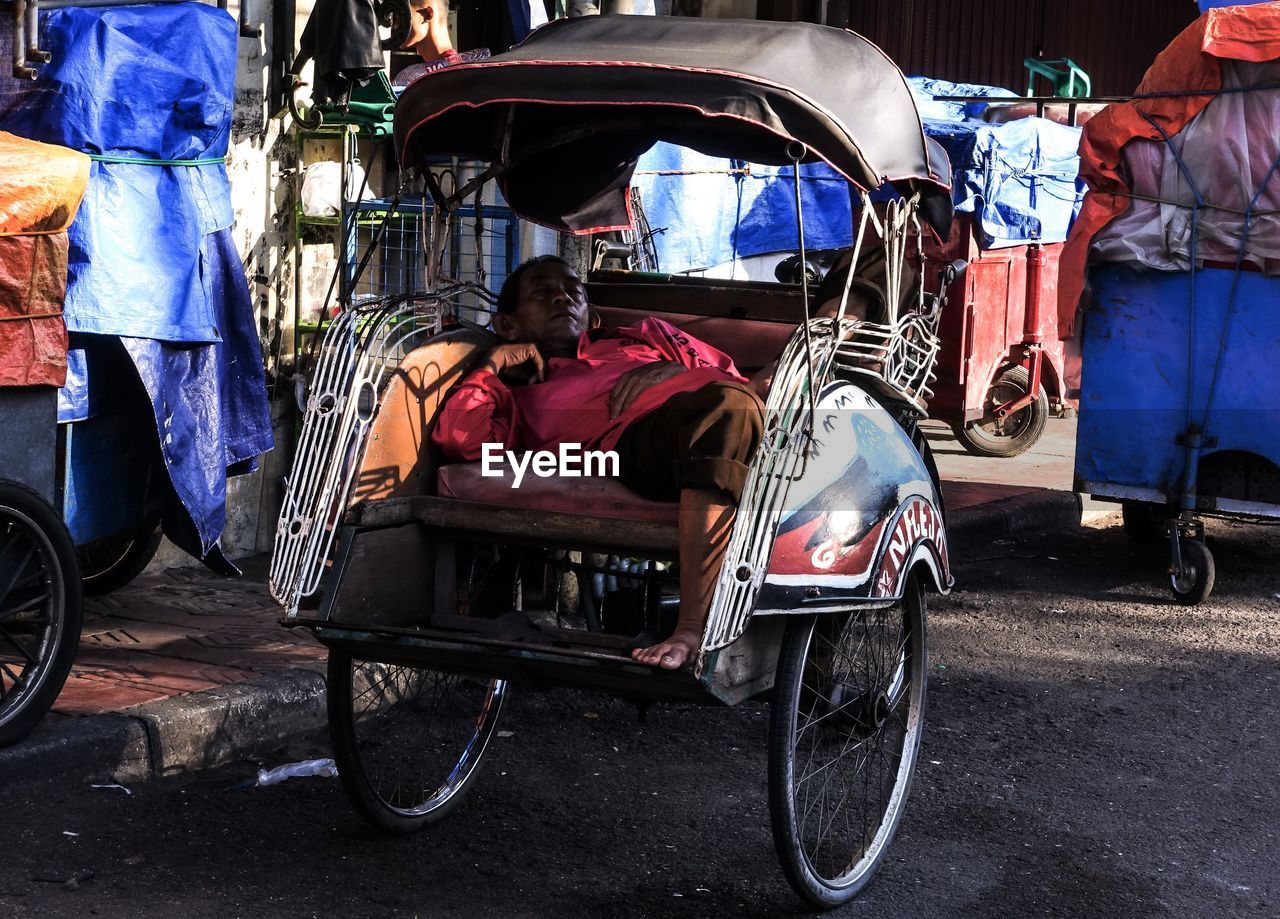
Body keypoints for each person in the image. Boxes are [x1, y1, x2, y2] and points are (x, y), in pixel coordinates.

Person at [432, 256, 765, 670]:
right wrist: (491, 365)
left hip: (746, 428)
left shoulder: (649, 336)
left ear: (592, 316)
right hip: (635, 446)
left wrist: (668, 369)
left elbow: (743, 384)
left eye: (574, 291)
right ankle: (692, 627)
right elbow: (458, 440)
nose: (561, 297)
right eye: (542, 291)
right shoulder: (519, 390)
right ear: (507, 326)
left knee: (762, 396)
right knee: (726, 409)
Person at [393, 0, 490, 88]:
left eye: (400, 16)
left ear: (427, 14)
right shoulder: (412, 76)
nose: (393, 24)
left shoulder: (470, 73)